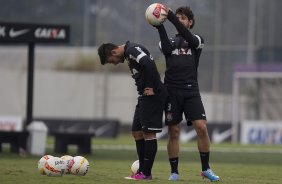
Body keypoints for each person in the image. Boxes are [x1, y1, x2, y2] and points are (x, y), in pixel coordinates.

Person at [152, 5, 220, 182]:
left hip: (191, 91)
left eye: (183, 18)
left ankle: (206, 169)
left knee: (201, 127)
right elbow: (166, 49)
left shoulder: (196, 39)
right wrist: (159, 25)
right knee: (174, 131)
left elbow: (189, 36)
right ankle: (174, 172)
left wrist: (172, 17)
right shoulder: (167, 41)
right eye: (178, 17)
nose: (180, 20)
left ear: (190, 22)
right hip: (171, 91)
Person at [98, 41, 167, 180]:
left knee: (148, 134)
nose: (114, 63)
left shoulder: (132, 50)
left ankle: (146, 174)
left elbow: (147, 62)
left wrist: (150, 86)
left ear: (113, 52)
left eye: (111, 61)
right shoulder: (129, 54)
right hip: (143, 97)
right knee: (137, 132)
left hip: (152, 96)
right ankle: (141, 171)